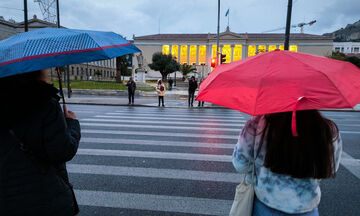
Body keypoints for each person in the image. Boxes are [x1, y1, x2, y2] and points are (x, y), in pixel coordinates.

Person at [0, 70, 81, 216]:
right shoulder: (44, 103)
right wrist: (72, 124)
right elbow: (62, 150)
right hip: (43, 196)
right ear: (36, 71)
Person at [232, 111, 342, 216]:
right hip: (306, 207)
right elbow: (331, 168)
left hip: (266, 204)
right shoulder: (327, 128)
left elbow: (240, 164)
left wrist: (259, 170)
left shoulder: (257, 124)